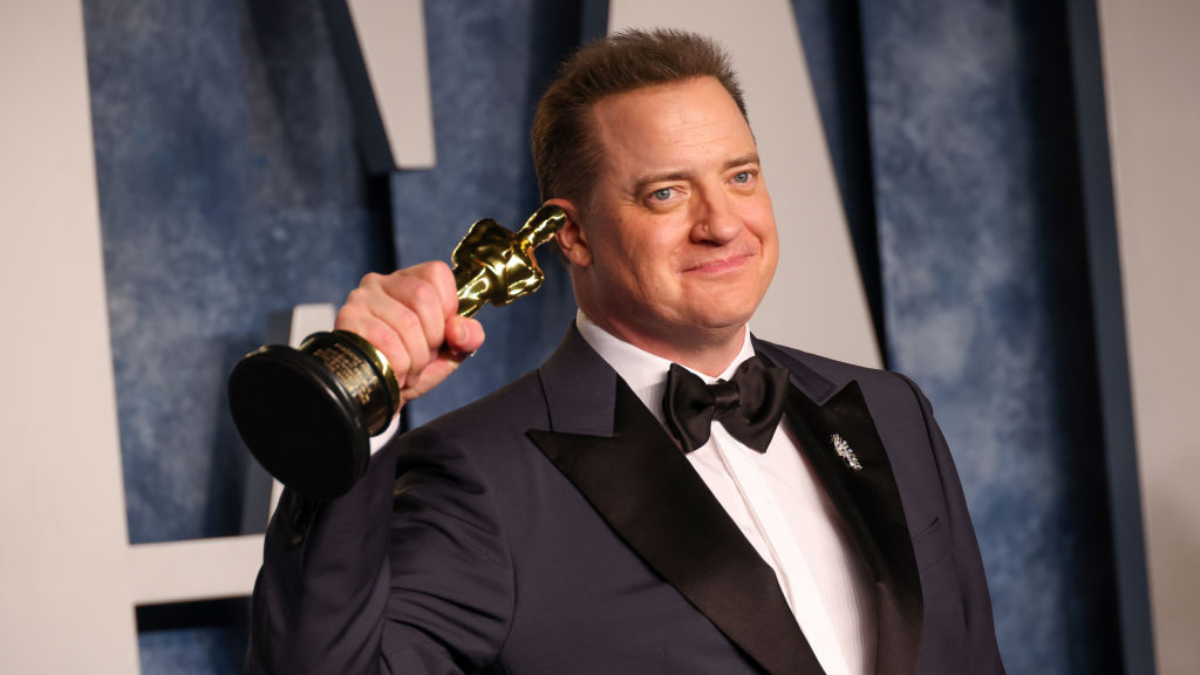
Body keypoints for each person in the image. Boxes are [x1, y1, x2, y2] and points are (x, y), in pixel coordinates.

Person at [245, 29, 1005, 675]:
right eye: (666, 193)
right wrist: (356, 411)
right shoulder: (482, 478)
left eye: (740, 176)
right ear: (572, 235)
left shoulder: (890, 410)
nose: (722, 223)